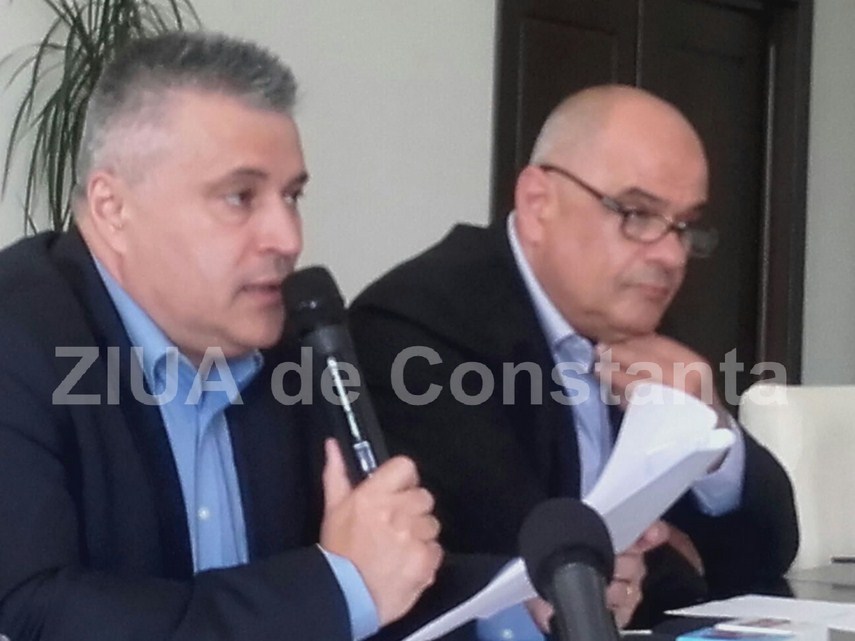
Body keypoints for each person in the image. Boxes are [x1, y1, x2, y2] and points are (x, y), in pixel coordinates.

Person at [0, 31, 476, 641]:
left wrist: (532, 590)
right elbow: (36, 614)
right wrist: (337, 588)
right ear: (113, 208)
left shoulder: (290, 346)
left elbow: (381, 578)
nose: (288, 238)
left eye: (292, 196)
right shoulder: (17, 339)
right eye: (239, 197)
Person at [349, 85, 799, 634]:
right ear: (538, 203)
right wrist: (679, 557)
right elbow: (535, 557)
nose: (670, 255)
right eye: (637, 214)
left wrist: (714, 430)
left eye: (686, 226)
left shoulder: (634, 312)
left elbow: (771, 548)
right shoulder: (418, 325)